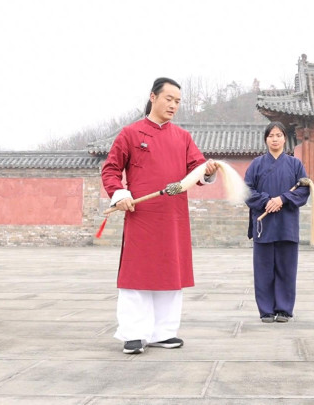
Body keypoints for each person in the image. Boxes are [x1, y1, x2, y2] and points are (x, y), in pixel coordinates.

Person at [101, 77, 218, 354]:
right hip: (141, 215)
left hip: (173, 217)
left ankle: (163, 332)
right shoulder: (130, 133)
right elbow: (111, 170)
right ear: (153, 97)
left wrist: (208, 170)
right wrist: (120, 194)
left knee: (170, 273)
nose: (174, 105)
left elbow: (197, 168)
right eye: (169, 99)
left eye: (178, 101)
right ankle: (133, 333)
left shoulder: (183, 137)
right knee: (137, 273)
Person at [244, 122, 310, 323]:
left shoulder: (295, 165)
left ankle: (284, 309)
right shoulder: (256, 164)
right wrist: (266, 201)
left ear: (284, 138)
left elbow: (304, 189)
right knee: (263, 270)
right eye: (271, 135)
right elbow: (246, 191)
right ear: (266, 139)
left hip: (286, 223)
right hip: (263, 225)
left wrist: (282, 199)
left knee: (286, 269)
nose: (275, 139)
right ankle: (266, 310)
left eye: (279, 135)